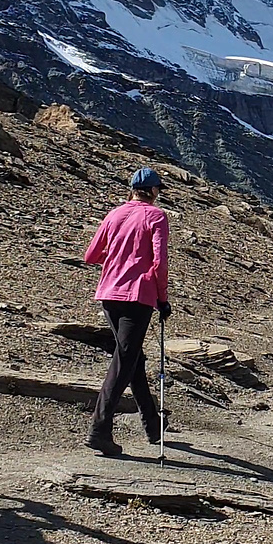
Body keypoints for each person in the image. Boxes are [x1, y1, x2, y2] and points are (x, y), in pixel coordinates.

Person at [82, 166, 171, 456]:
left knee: (133, 357)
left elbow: (91, 255)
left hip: (109, 293)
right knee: (124, 360)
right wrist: (162, 299)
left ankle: (151, 423)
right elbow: (159, 262)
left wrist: (118, 258)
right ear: (154, 191)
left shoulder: (114, 214)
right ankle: (99, 429)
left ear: (131, 188)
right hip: (139, 296)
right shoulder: (156, 216)